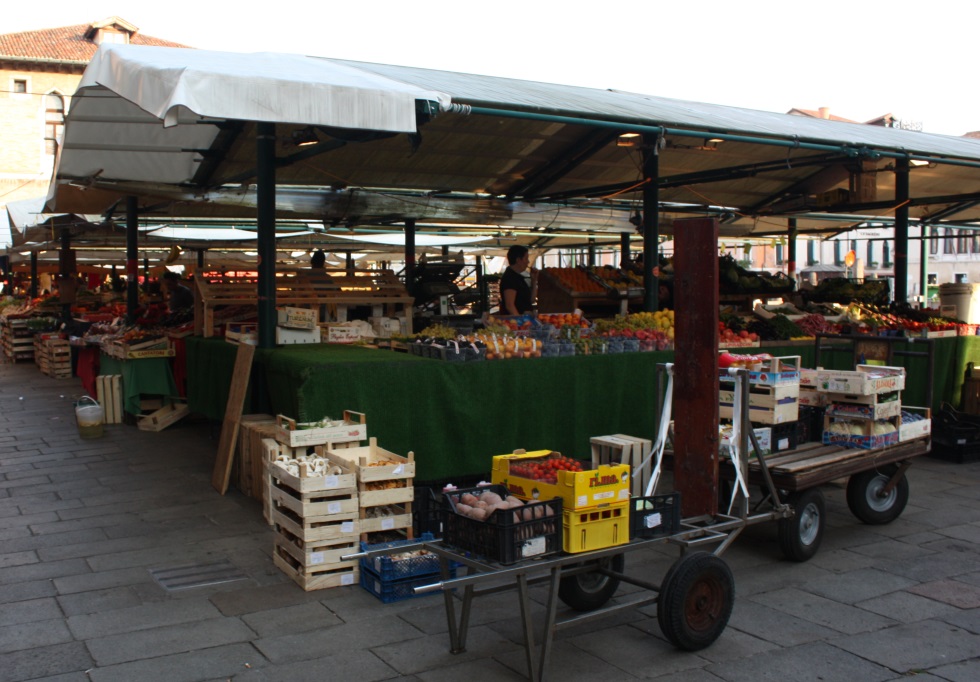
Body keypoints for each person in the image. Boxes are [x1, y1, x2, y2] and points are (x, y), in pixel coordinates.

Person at [499, 245, 537, 315]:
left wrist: (534, 281)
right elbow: (509, 305)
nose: (528, 262)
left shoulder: (519, 277)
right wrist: (520, 321)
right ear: (518, 260)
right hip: (515, 322)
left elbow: (531, 300)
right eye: (526, 258)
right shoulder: (510, 278)